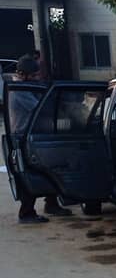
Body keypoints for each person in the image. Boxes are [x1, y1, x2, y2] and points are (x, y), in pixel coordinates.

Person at [8, 56, 72, 223]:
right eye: (34, 75)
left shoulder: (27, 87)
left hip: (34, 135)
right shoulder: (19, 90)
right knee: (28, 173)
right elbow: (39, 109)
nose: (38, 78)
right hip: (22, 138)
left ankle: (51, 203)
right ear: (23, 74)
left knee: (49, 168)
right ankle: (26, 213)